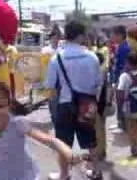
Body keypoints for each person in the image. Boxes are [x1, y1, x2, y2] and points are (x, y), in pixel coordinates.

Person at [0, 80, 84, 180]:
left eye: (1, 106)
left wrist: (66, 150)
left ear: (9, 105)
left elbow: (49, 140)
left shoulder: (17, 124)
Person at [45, 20, 103, 180]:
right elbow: (98, 82)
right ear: (81, 36)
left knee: (63, 141)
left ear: (66, 35)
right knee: (90, 140)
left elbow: (50, 84)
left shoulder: (56, 58)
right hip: (87, 105)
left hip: (65, 104)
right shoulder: (92, 57)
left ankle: (64, 174)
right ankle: (96, 171)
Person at [117, 53, 137, 156]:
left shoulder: (124, 76)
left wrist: (119, 107)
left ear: (128, 63)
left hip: (128, 107)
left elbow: (120, 91)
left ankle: (134, 148)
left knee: (131, 127)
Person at [111, 25, 131, 132]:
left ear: (120, 35)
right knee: (119, 101)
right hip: (118, 77)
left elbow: (125, 65)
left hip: (121, 78)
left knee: (121, 101)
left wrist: (119, 81)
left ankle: (123, 125)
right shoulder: (120, 46)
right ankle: (119, 123)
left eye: (114, 34)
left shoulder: (124, 48)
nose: (112, 37)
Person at [41, 29, 62, 124]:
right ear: (50, 39)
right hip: (49, 78)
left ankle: (57, 117)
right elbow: (41, 65)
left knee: (58, 99)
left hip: (60, 79)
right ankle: (54, 115)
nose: (55, 39)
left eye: (57, 38)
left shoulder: (61, 50)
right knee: (51, 99)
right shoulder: (45, 50)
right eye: (53, 38)